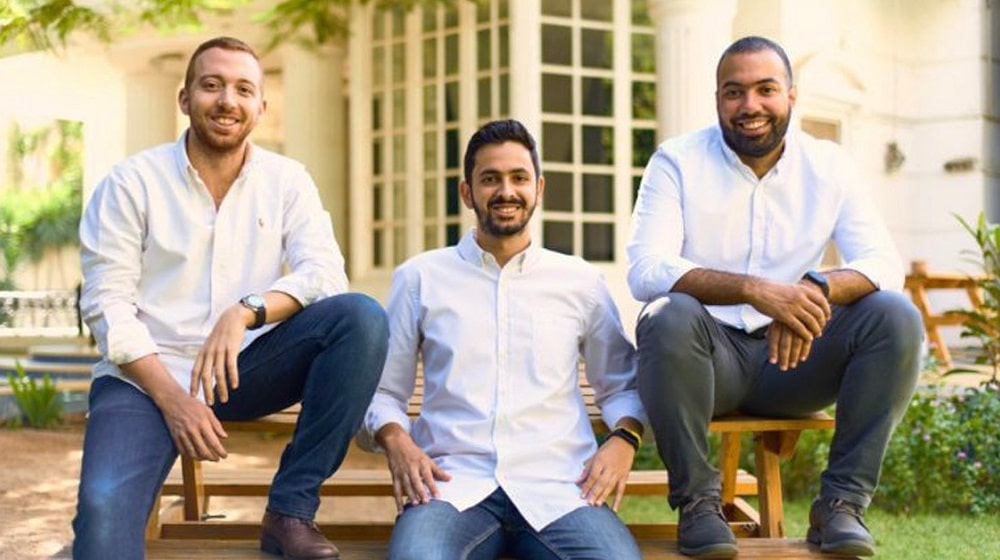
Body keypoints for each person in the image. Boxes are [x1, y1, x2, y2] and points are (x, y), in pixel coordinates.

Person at [72, 36, 388, 560]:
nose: (227, 101)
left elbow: (326, 274)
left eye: (244, 89)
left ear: (261, 107)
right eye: (212, 85)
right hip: (143, 380)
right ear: (184, 98)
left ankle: (290, 511)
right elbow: (108, 307)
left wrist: (247, 311)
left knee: (360, 318)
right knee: (103, 515)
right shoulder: (131, 183)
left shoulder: (287, 180)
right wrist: (175, 402)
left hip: (243, 369)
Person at [627, 36, 922, 558]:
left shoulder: (829, 165)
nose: (750, 106)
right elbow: (646, 270)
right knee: (666, 314)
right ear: (718, 99)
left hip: (796, 360)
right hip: (706, 364)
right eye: (733, 92)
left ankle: (841, 505)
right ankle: (698, 505)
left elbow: (883, 263)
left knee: (894, 315)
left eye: (766, 89)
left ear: (791, 95)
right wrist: (755, 290)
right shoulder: (676, 161)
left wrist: (814, 291)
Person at [359, 119, 646, 560]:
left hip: (561, 488)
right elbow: (381, 391)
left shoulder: (580, 281)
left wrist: (624, 440)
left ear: (539, 188)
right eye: (490, 179)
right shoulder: (419, 278)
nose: (505, 191)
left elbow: (621, 384)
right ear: (466, 192)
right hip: (452, 488)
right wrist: (397, 440)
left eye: (518, 178)